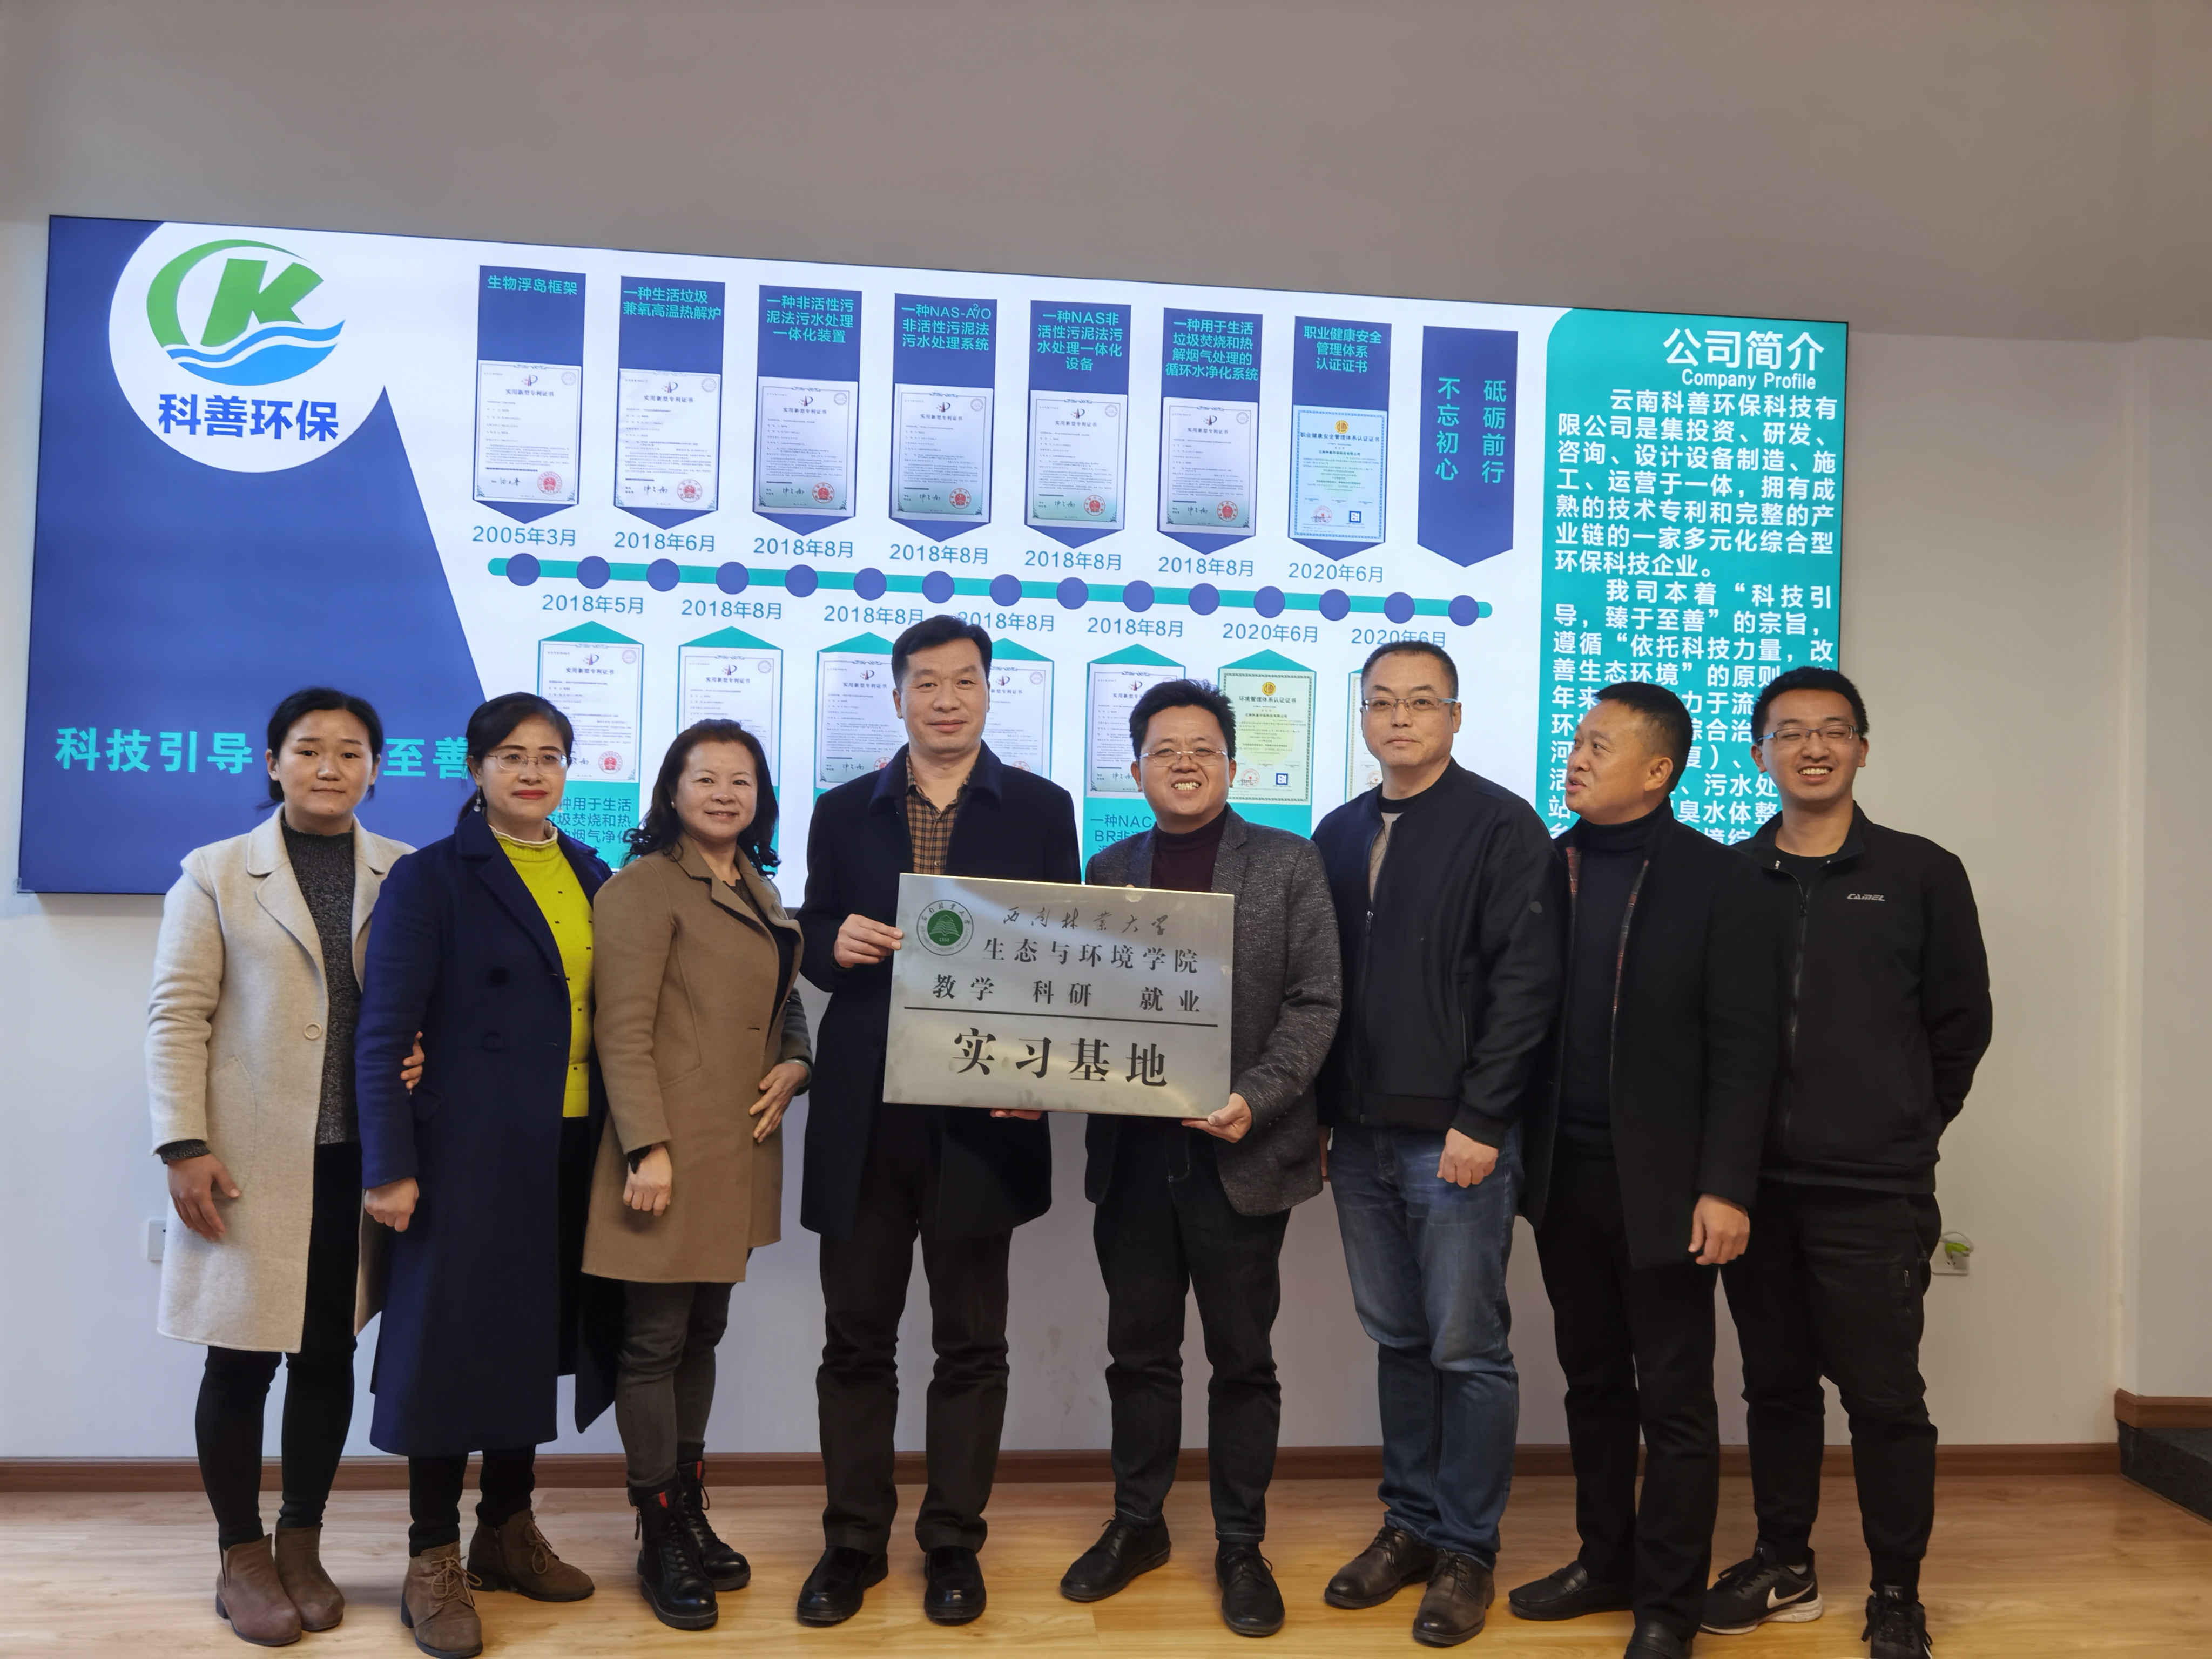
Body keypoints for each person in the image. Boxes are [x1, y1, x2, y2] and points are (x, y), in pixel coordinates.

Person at [793, 613, 1080, 1628]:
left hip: (981, 1112)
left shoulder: (1042, 808)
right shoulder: (842, 810)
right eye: (927, 682)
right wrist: (833, 941)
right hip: (865, 1111)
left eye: (965, 681)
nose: (946, 699)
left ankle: (954, 1541)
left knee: (971, 1343)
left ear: (990, 692)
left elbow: (1064, 954)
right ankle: (852, 1543)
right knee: (855, 1341)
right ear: (899, 695)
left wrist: (1041, 1074)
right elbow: (812, 932)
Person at [1704, 667, 1991, 1659]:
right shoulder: (1730, 879)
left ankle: (1897, 1592)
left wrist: (1903, 1122)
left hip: (1874, 1189)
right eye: (1790, 732)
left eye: (1833, 730)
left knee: (1884, 1398)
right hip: (1754, 1190)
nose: (1813, 747)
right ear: (1760, 753)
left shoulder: (1921, 872)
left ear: (1863, 748)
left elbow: (1961, 1024)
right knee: (1776, 1388)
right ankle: (1784, 1560)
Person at [1060, 680, 1342, 1638]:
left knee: (1242, 1359)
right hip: (1134, 1155)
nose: (1184, 763)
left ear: (1231, 764)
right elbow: (1077, 1002)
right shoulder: (1108, 869)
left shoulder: (1289, 863)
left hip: (1240, 1151)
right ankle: (1137, 1525)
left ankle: (1240, 1544)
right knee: (1137, 1353)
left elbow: (1316, 1002)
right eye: (1164, 750)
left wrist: (1256, 1098)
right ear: (1136, 768)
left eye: (1202, 748)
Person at [1505, 683, 1775, 1659]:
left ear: (1659, 770)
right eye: (1577, 740)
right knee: (1591, 1383)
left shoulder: (1719, 879)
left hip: (1666, 1186)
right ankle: (1605, 1562)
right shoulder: (1549, 865)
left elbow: (1747, 1050)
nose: (1575, 758)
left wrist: (1727, 1186)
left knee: (1675, 1399)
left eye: (1599, 745)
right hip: (1563, 1176)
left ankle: (1668, 1602)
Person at [1310, 642, 1563, 1649]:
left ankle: (1468, 1548)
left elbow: (1527, 987)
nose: (1401, 718)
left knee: (1469, 1348)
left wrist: (1484, 1118)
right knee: (1400, 1338)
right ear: (1363, 717)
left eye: (1422, 702)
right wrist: (1319, 1114)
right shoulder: (1337, 832)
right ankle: (1409, 1525)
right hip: (1358, 1134)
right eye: (1383, 702)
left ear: (1456, 717)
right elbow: (1317, 988)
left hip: (1456, 1138)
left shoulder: (1502, 825)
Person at [148, 689, 413, 1647]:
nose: (329, 767)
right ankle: (241, 1554)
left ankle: (302, 1540)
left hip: (359, 1156)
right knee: (240, 1356)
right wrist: (183, 1144)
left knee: (329, 1353)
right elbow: (177, 1014)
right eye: (308, 749)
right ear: (272, 763)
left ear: (375, 768)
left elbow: (428, 1000)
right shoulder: (215, 873)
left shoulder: (405, 872)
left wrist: (426, 1052)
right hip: (249, 1160)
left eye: (350, 751)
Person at [355, 693, 610, 1659]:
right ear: (475, 769)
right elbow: (385, 1031)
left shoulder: (592, 872)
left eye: (549, 756)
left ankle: (505, 1526)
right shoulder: (432, 876)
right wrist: (391, 1165)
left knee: (530, 1339)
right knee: (450, 1347)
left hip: (572, 1145)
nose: (532, 772)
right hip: (464, 1150)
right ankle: (431, 1557)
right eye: (511, 755)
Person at [583, 720, 812, 1631]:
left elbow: (783, 1003)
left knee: (702, 1333)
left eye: (741, 780)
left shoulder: (756, 886)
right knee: (653, 1342)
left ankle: (688, 1505)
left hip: (739, 1150)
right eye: (705, 777)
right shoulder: (643, 887)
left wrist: (799, 1062)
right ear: (671, 792)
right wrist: (646, 1146)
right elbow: (620, 1028)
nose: (724, 794)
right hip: (668, 1153)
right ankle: (658, 1529)